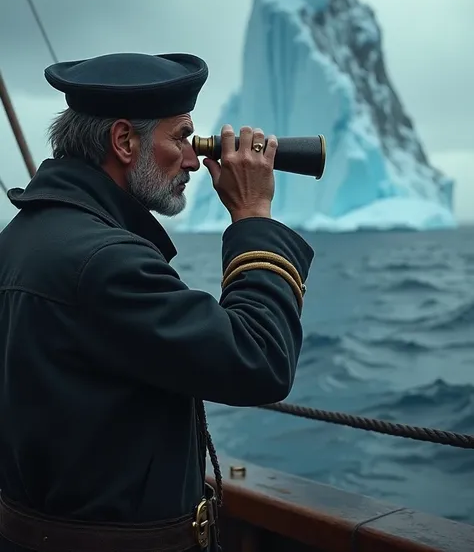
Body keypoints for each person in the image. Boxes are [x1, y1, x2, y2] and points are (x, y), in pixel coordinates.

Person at [0, 52, 314, 552]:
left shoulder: (24, 236)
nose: (192, 160)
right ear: (124, 141)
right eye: (181, 138)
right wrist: (253, 215)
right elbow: (260, 360)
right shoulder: (103, 262)